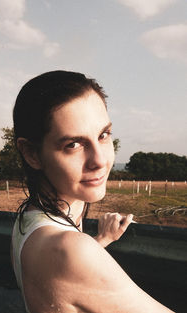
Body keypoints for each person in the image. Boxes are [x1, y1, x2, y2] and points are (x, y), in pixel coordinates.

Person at [11, 70, 174, 313]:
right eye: (73, 144)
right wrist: (88, 248)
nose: (99, 160)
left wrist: (102, 240)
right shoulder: (71, 250)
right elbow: (69, 258)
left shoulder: (30, 219)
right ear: (32, 153)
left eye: (103, 135)